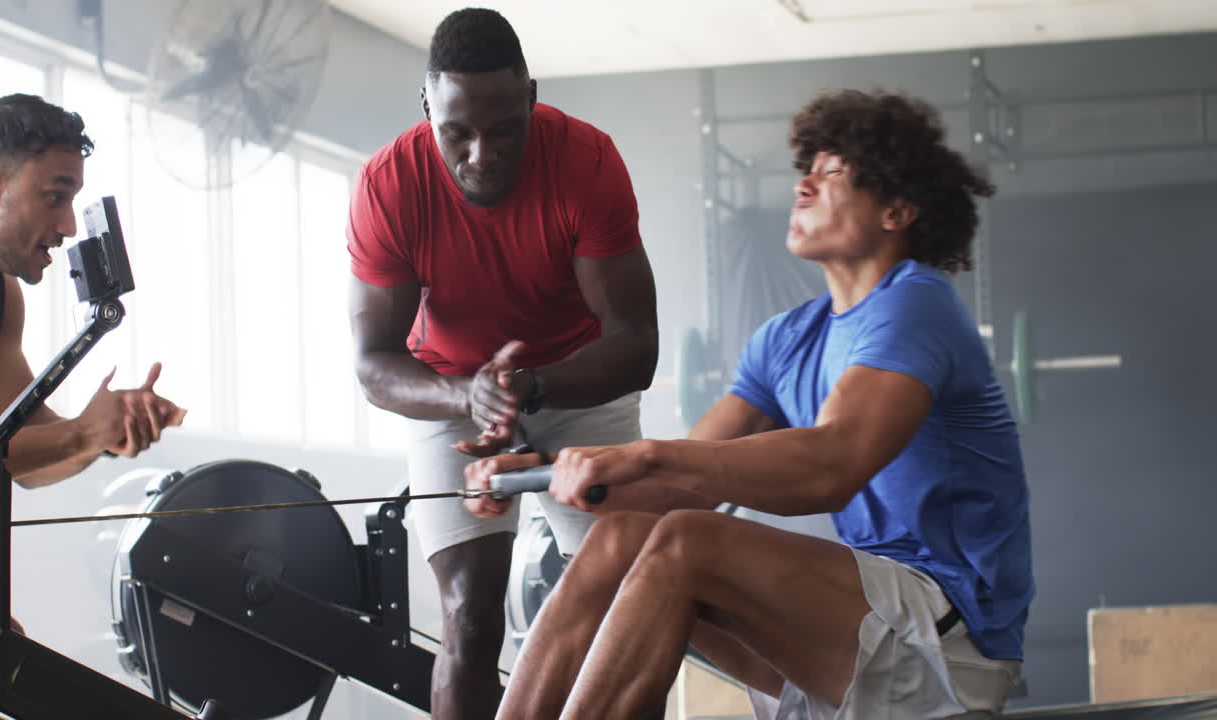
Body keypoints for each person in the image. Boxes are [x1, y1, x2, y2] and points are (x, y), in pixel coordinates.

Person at [467, 89, 1034, 720]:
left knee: (686, 542)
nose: (803, 188)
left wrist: (641, 455)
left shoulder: (915, 303)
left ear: (896, 210)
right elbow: (672, 489)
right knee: (621, 538)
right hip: (853, 645)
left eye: (831, 175)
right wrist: (538, 474)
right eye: (806, 172)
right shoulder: (787, 341)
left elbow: (830, 465)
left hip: (950, 649)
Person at [346, 7, 659, 719]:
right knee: (471, 613)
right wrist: (468, 397)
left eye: (504, 130)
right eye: (457, 133)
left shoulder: (587, 161)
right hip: (451, 395)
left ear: (532, 99)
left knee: (630, 606)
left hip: (578, 384)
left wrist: (531, 387)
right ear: (427, 107)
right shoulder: (388, 185)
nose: (481, 155)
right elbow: (373, 366)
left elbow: (636, 344)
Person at [0, 93, 186, 720]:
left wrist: (102, 433)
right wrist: (77, 435)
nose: (70, 225)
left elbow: (22, 453)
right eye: (55, 195)